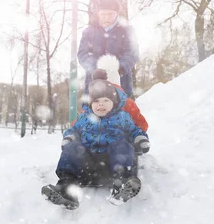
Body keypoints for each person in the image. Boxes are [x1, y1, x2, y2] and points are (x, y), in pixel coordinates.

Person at [41, 74, 150, 210]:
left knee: (122, 145)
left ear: (114, 102)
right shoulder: (84, 118)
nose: (101, 104)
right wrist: (70, 138)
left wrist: (140, 139)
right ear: (90, 104)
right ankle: (66, 189)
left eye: (106, 100)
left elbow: (134, 131)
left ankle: (121, 185)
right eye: (97, 101)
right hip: (87, 167)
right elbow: (73, 130)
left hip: (112, 168)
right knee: (72, 148)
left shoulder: (122, 117)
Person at [77, 0, 139, 98]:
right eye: (103, 14)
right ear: (98, 14)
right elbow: (83, 54)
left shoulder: (127, 30)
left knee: (121, 111)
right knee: (94, 111)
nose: (106, 18)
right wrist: (96, 68)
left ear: (116, 14)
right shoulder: (88, 31)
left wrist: (119, 68)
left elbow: (133, 53)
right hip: (94, 83)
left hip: (121, 82)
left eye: (110, 14)